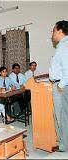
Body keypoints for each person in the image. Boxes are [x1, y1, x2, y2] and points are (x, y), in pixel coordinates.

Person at [49, 20, 68, 152]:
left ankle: (64, 147)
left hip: (62, 85)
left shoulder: (63, 46)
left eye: (53, 30)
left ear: (60, 31)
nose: (52, 33)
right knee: (61, 115)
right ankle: (62, 143)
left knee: (62, 117)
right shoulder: (63, 45)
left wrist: (61, 85)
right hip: (62, 84)